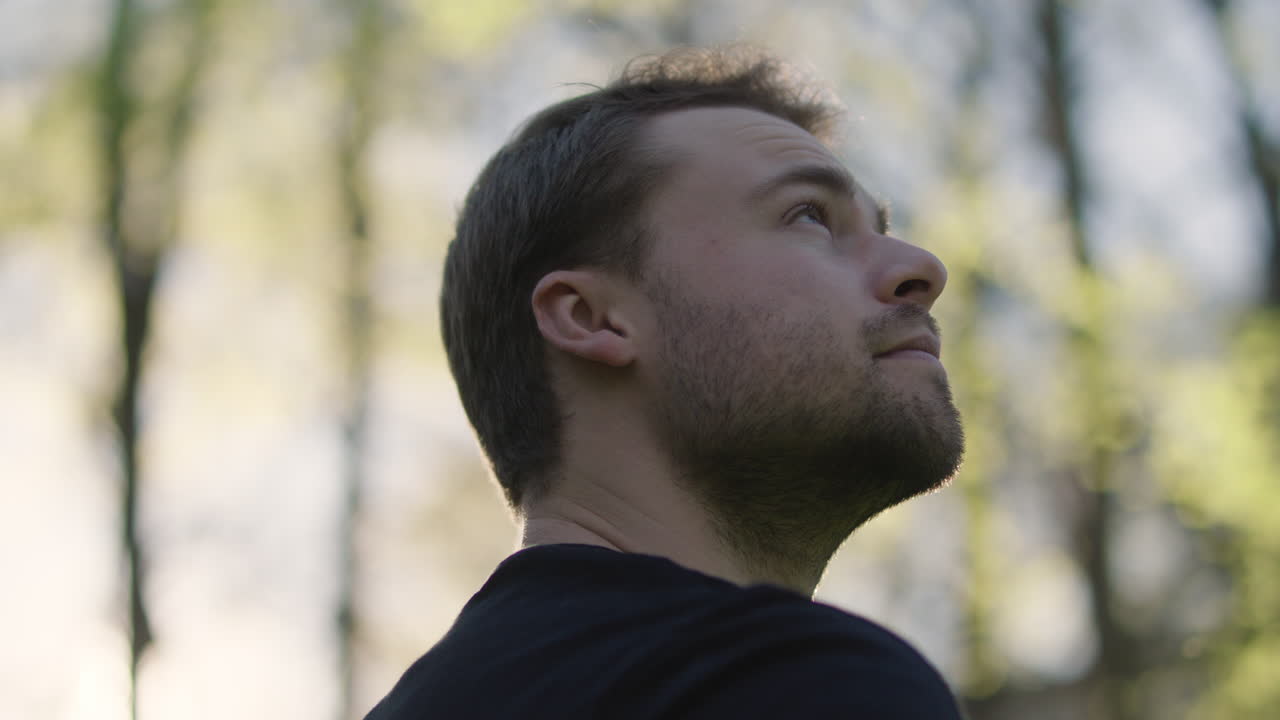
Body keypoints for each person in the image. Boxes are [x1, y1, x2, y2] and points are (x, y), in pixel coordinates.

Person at [367, 46, 966, 719]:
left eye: (880, 227)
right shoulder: (793, 681)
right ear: (593, 317)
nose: (922, 267)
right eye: (808, 215)